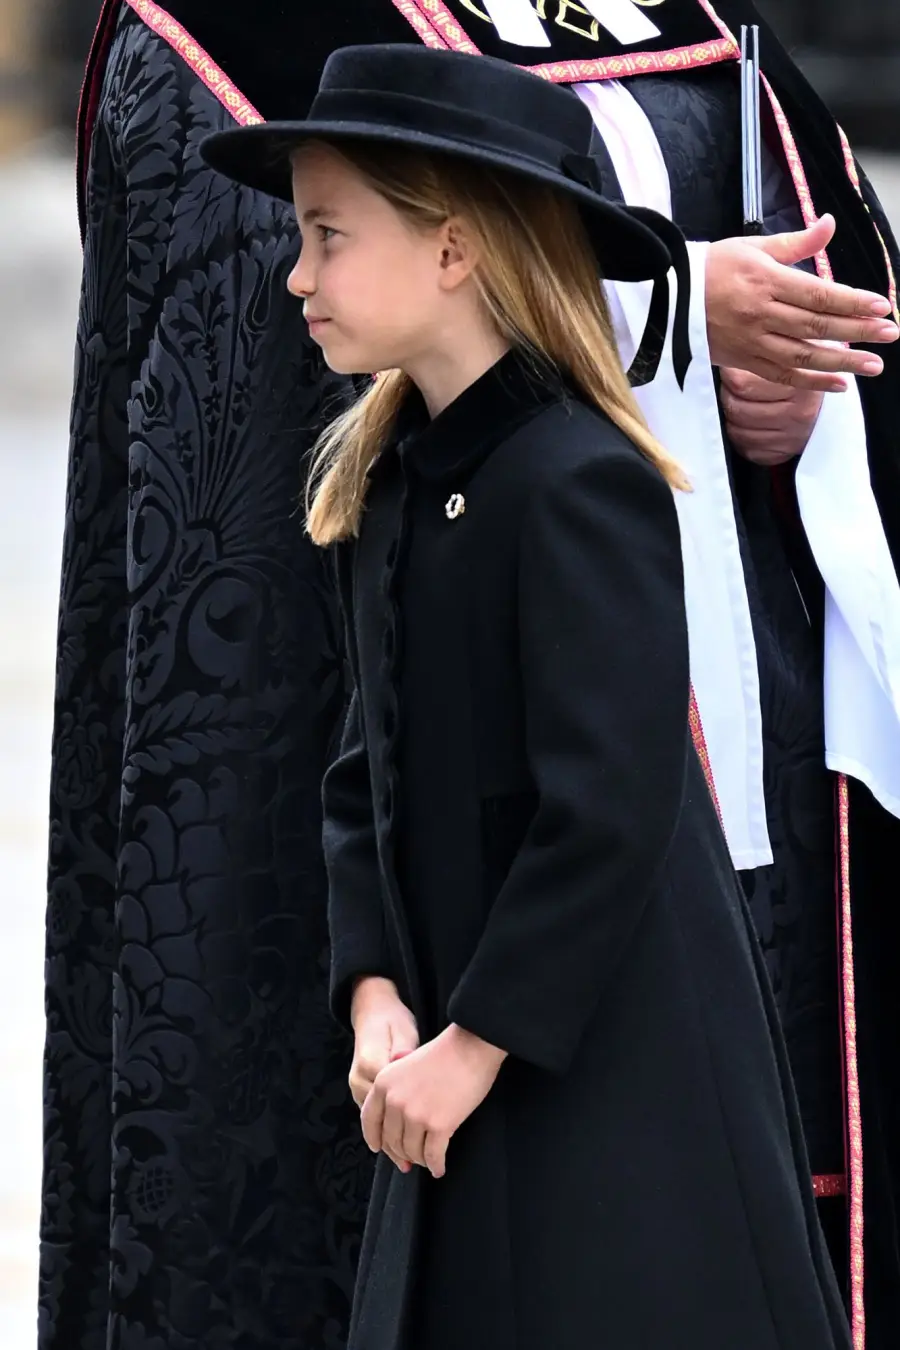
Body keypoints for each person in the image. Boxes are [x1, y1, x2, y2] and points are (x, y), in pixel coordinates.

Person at [46, 3, 898, 1348]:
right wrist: (375, 985)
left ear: (453, 251)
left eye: (328, 238)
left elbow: (610, 809)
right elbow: (361, 767)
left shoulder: (577, 487)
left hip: (597, 1055)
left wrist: (478, 1041)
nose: (297, 273)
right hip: (454, 1050)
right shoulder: (393, 482)